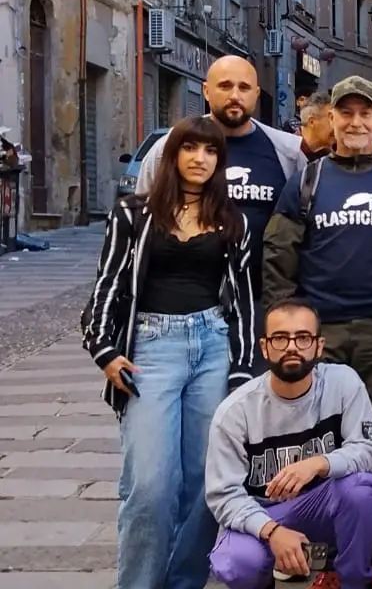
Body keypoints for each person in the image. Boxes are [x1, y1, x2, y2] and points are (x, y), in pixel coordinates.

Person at [264, 75, 372, 589]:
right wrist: (284, 328)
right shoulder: (308, 181)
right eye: (347, 113)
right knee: (320, 449)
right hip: (323, 337)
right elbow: (279, 256)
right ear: (330, 120)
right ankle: (333, 560)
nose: (356, 122)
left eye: (366, 114)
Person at [81, 115, 259, 589]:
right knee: (151, 484)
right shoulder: (133, 214)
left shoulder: (231, 220)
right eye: (190, 149)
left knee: (206, 483)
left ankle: (184, 582)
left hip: (212, 348)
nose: (200, 159)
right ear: (173, 155)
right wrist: (103, 350)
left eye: (211, 151)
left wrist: (241, 370)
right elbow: (109, 284)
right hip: (150, 350)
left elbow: (242, 302)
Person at [205, 299, 372, 589]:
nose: (291, 346)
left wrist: (319, 463)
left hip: (323, 504)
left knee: (361, 490)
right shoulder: (235, 411)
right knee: (238, 563)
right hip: (263, 512)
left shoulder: (344, 383)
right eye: (280, 338)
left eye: (303, 338)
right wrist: (272, 532)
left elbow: (370, 449)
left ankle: (354, 582)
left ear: (319, 345)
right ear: (264, 347)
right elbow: (222, 495)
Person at [136, 55, 305, 315]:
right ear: (206, 90)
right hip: (186, 310)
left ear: (257, 94)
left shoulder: (288, 152)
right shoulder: (169, 148)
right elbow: (142, 221)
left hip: (262, 304)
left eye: (244, 88)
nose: (235, 95)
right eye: (225, 86)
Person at [298, 93, 334, 162]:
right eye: (332, 119)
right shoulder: (286, 153)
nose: (337, 126)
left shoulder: (333, 155)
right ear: (312, 122)